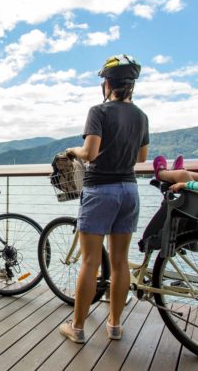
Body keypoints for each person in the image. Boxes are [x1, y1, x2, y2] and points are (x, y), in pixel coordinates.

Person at [59, 54, 149, 343]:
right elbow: (142, 157)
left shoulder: (98, 111)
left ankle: (78, 328)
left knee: (89, 262)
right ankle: (115, 325)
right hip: (129, 190)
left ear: (107, 83)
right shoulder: (141, 116)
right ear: (131, 85)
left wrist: (74, 150)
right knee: (121, 261)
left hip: (101, 190)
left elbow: (91, 153)